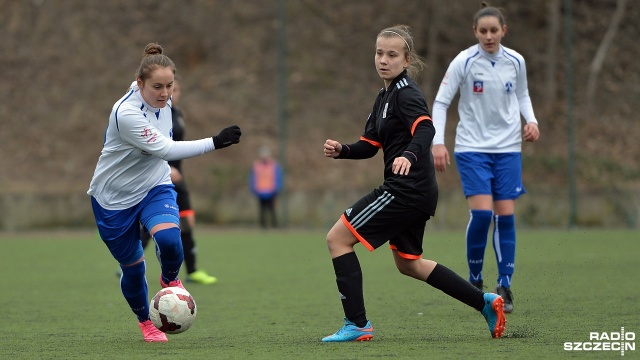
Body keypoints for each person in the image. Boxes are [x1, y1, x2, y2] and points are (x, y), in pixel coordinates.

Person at [321, 25, 506, 343]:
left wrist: (408, 155)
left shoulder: (406, 93)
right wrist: (343, 151)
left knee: (337, 239)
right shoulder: (384, 96)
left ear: (406, 60)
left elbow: (426, 129)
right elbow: (370, 144)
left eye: (392, 55)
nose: (383, 59)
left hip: (405, 190)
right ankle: (485, 302)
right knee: (410, 264)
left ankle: (357, 324)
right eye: (379, 52)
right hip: (416, 191)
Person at [88, 43, 241, 342]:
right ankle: (146, 321)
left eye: (170, 85)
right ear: (140, 84)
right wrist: (216, 141)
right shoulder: (126, 113)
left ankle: (169, 278)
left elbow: (161, 153)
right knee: (132, 270)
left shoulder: (163, 98)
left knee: (171, 240)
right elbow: (166, 149)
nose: (164, 93)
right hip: (113, 199)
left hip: (154, 186)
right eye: (157, 86)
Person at [431, 2, 540, 314]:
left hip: (507, 149)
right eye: (483, 31)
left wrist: (531, 121)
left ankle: (504, 284)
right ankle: (474, 280)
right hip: (472, 148)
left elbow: (522, 94)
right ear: (475, 32)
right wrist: (438, 143)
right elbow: (440, 103)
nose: (489, 36)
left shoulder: (515, 61)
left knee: (505, 216)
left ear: (503, 31)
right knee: (481, 215)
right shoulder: (464, 62)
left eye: (494, 30)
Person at [138, 76, 218, 285]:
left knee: (186, 222)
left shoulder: (177, 114)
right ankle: (132, 264)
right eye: (168, 89)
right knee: (153, 224)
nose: (173, 93)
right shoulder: (154, 115)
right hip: (160, 176)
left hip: (178, 177)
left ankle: (192, 271)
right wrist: (167, 167)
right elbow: (151, 146)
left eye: (175, 89)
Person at [249, 146, 283, 228]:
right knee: (262, 210)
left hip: (271, 191)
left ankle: (275, 225)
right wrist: (254, 188)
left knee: (272, 209)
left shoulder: (274, 165)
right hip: (260, 191)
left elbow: (278, 177)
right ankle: (263, 226)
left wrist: (277, 188)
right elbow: (253, 178)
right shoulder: (256, 165)